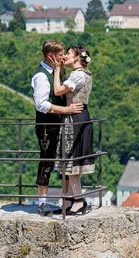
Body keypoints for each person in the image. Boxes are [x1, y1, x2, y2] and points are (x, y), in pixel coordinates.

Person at [32, 40, 83, 216]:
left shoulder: (54, 71)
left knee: (62, 162)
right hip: (47, 125)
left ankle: (68, 200)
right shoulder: (41, 76)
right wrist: (66, 110)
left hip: (58, 124)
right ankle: (42, 203)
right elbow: (42, 105)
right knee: (47, 160)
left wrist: (59, 70)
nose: (63, 57)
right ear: (50, 56)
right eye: (60, 54)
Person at [50, 45, 95, 215]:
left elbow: (58, 90)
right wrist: (60, 68)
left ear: (77, 57)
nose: (66, 56)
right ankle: (69, 199)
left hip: (74, 119)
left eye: (68, 53)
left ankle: (78, 201)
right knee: (68, 162)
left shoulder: (78, 75)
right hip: (75, 117)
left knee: (72, 162)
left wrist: (56, 71)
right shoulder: (80, 74)